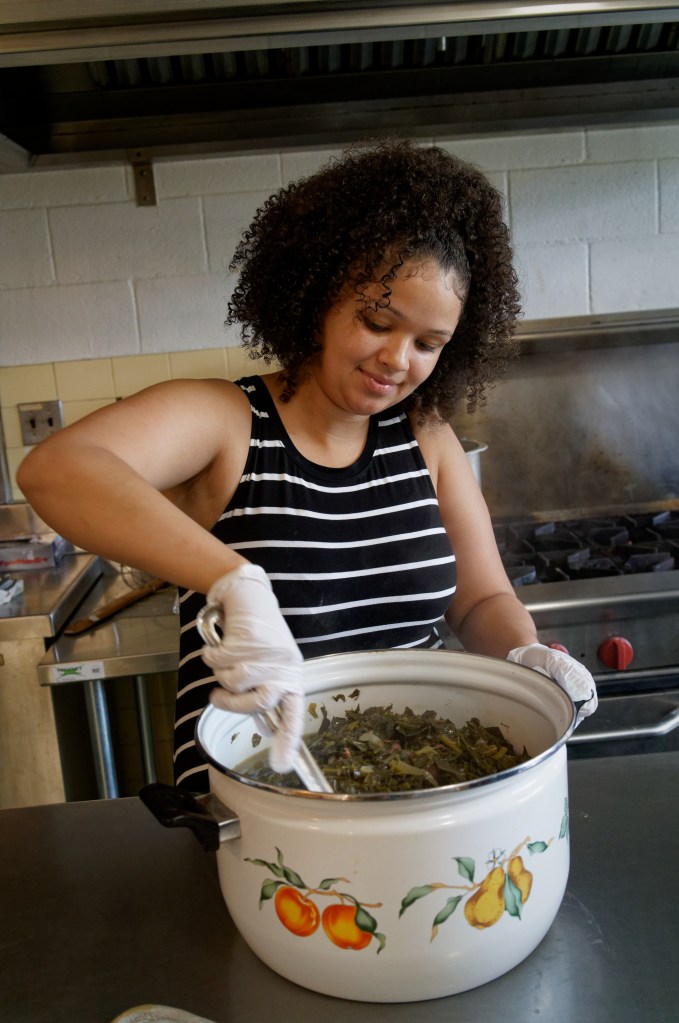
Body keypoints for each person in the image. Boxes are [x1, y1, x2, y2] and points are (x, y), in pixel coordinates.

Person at [18, 139, 597, 793]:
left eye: (427, 343)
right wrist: (233, 580)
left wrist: (524, 655)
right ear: (318, 294)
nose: (397, 359)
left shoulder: (426, 438)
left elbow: (482, 600)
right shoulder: (225, 422)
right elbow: (56, 469)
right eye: (378, 322)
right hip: (252, 794)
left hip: (413, 785)